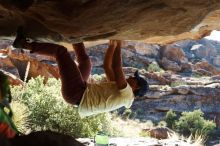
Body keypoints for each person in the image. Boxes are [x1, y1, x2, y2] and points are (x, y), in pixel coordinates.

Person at [12, 30, 149, 118]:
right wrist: (112, 46)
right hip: (81, 90)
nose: (131, 77)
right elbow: (108, 67)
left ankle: (24, 44)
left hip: (76, 93)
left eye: (135, 79)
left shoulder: (127, 95)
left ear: (136, 87)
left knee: (61, 52)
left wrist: (119, 45)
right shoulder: (120, 89)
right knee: (86, 63)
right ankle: (75, 35)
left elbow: (117, 67)